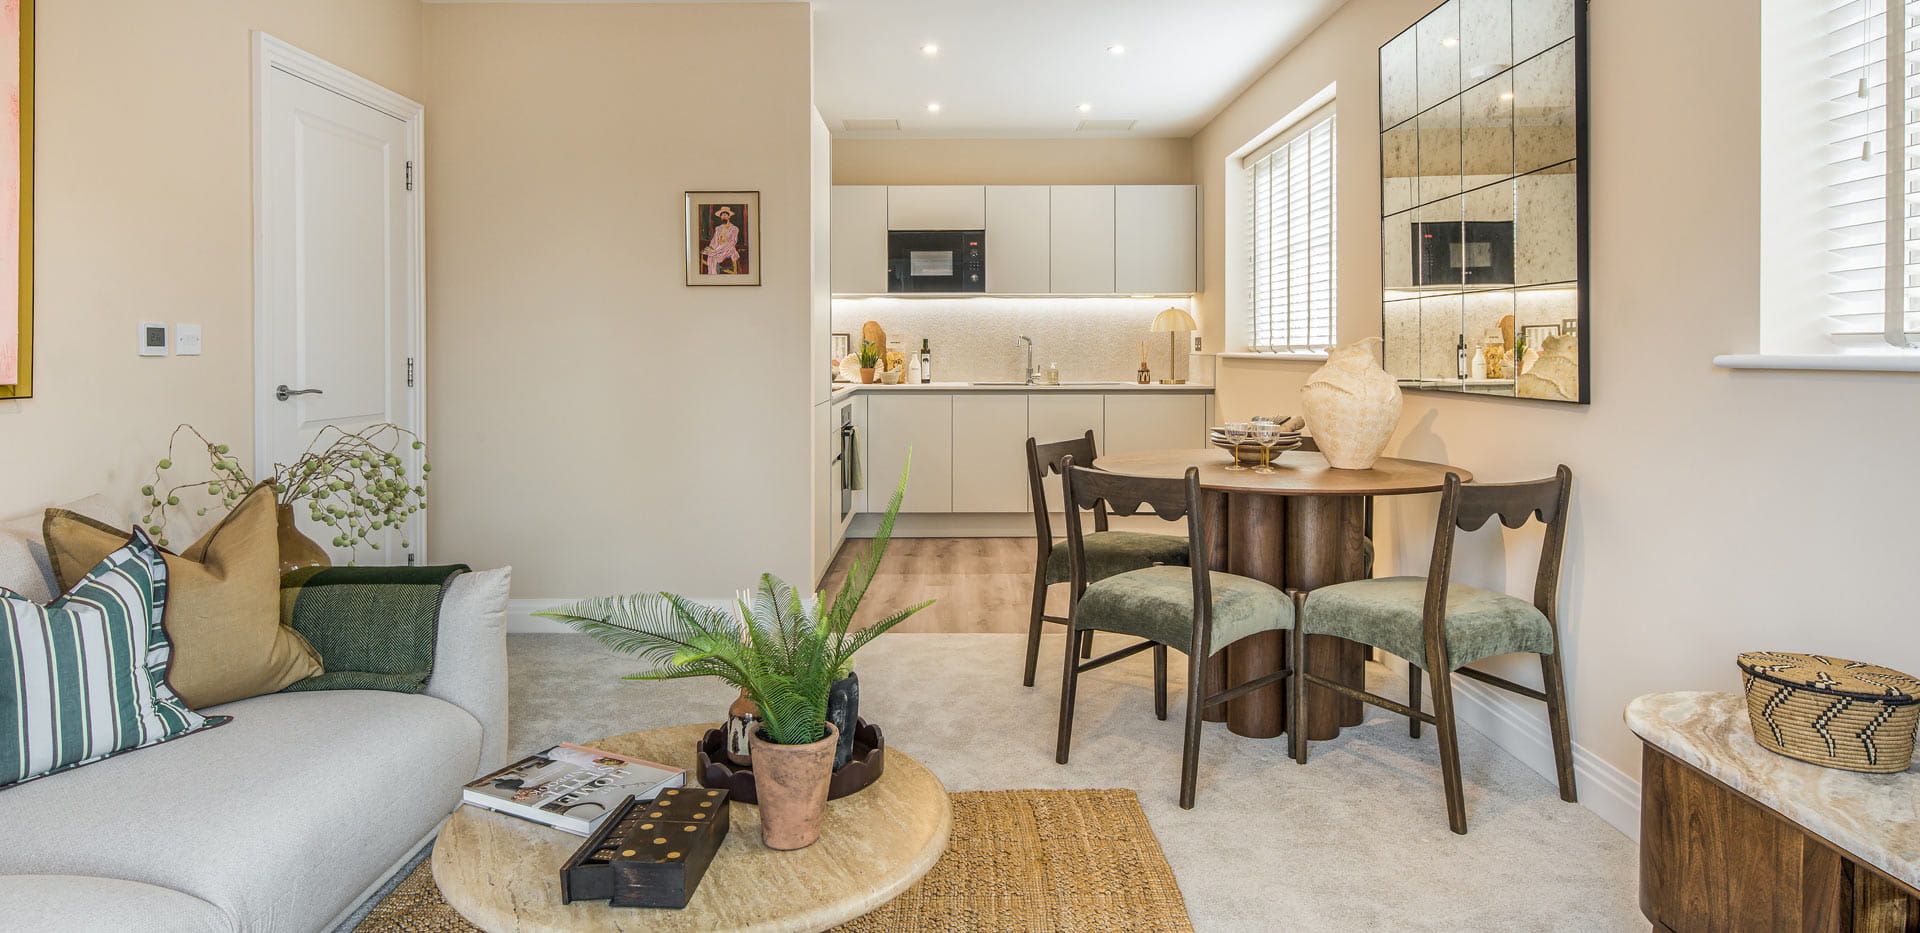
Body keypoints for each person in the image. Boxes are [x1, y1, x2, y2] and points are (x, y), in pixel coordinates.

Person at [701, 205, 742, 275]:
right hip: (717, 247)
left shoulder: (734, 229)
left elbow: (732, 242)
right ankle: (712, 274)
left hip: (728, 249)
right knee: (709, 254)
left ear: (729, 216)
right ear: (720, 217)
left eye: (725, 215)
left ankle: (714, 275)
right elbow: (714, 241)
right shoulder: (718, 228)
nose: (724, 217)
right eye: (722, 215)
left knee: (714, 257)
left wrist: (718, 250)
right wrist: (711, 248)